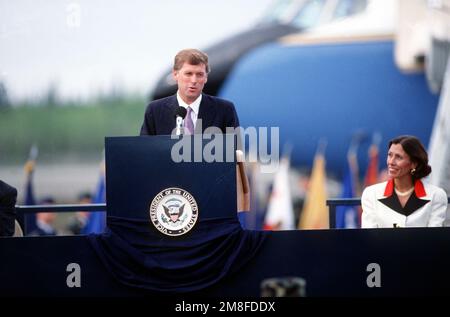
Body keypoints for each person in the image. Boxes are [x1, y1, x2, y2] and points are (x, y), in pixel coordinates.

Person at [140, 48, 240, 135]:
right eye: (188, 74)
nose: (194, 80)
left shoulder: (225, 110)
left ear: (206, 77)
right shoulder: (155, 111)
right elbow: (145, 151)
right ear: (175, 75)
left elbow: (235, 149)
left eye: (199, 74)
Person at [361, 135, 448, 228]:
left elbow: (434, 238)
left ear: (414, 164)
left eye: (398, 157)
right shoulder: (371, 194)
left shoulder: (436, 195)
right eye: (389, 155)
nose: (391, 162)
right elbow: (370, 238)